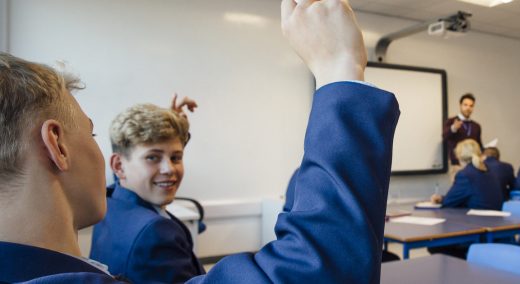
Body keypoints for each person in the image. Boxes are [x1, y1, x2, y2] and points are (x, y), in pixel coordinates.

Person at [0, 0, 402, 283]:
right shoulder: (147, 234)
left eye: (174, 156)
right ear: (58, 145)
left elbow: (125, 186)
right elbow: (321, 269)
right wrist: (339, 72)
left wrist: (171, 124)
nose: (169, 168)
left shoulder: (110, 214)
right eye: (88, 132)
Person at [89, 97, 203, 283]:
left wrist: (175, 126)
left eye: (176, 157)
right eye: (152, 158)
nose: (169, 169)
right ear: (119, 165)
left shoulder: (111, 199)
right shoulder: (156, 233)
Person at [431, 139, 502, 210]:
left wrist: (442, 199)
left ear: (459, 157)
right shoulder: (489, 170)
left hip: (477, 219)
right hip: (495, 217)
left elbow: (448, 203)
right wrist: (442, 198)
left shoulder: (465, 175)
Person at [443, 93, 482, 180]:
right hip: (457, 164)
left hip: (473, 165)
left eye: (471, 106)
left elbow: (479, 144)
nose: (468, 108)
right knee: (459, 189)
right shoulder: (451, 121)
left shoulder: (476, 126)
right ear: (460, 105)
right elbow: (444, 136)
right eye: (465, 105)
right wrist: (453, 128)